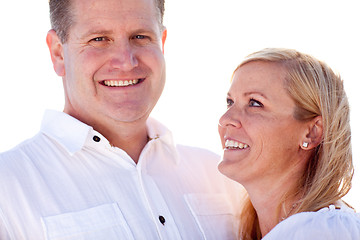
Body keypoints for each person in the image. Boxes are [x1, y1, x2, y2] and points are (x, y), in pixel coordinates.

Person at [0, 0, 241, 239]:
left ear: (162, 43)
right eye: (99, 39)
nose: (126, 61)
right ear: (58, 53)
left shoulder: (222, 178)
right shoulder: (8, 188)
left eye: (140, 37)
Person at [218, 48, 360, 239]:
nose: (226, 119)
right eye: (230, 102)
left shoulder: (325, 231)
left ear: (311, 132)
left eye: (254, 103)